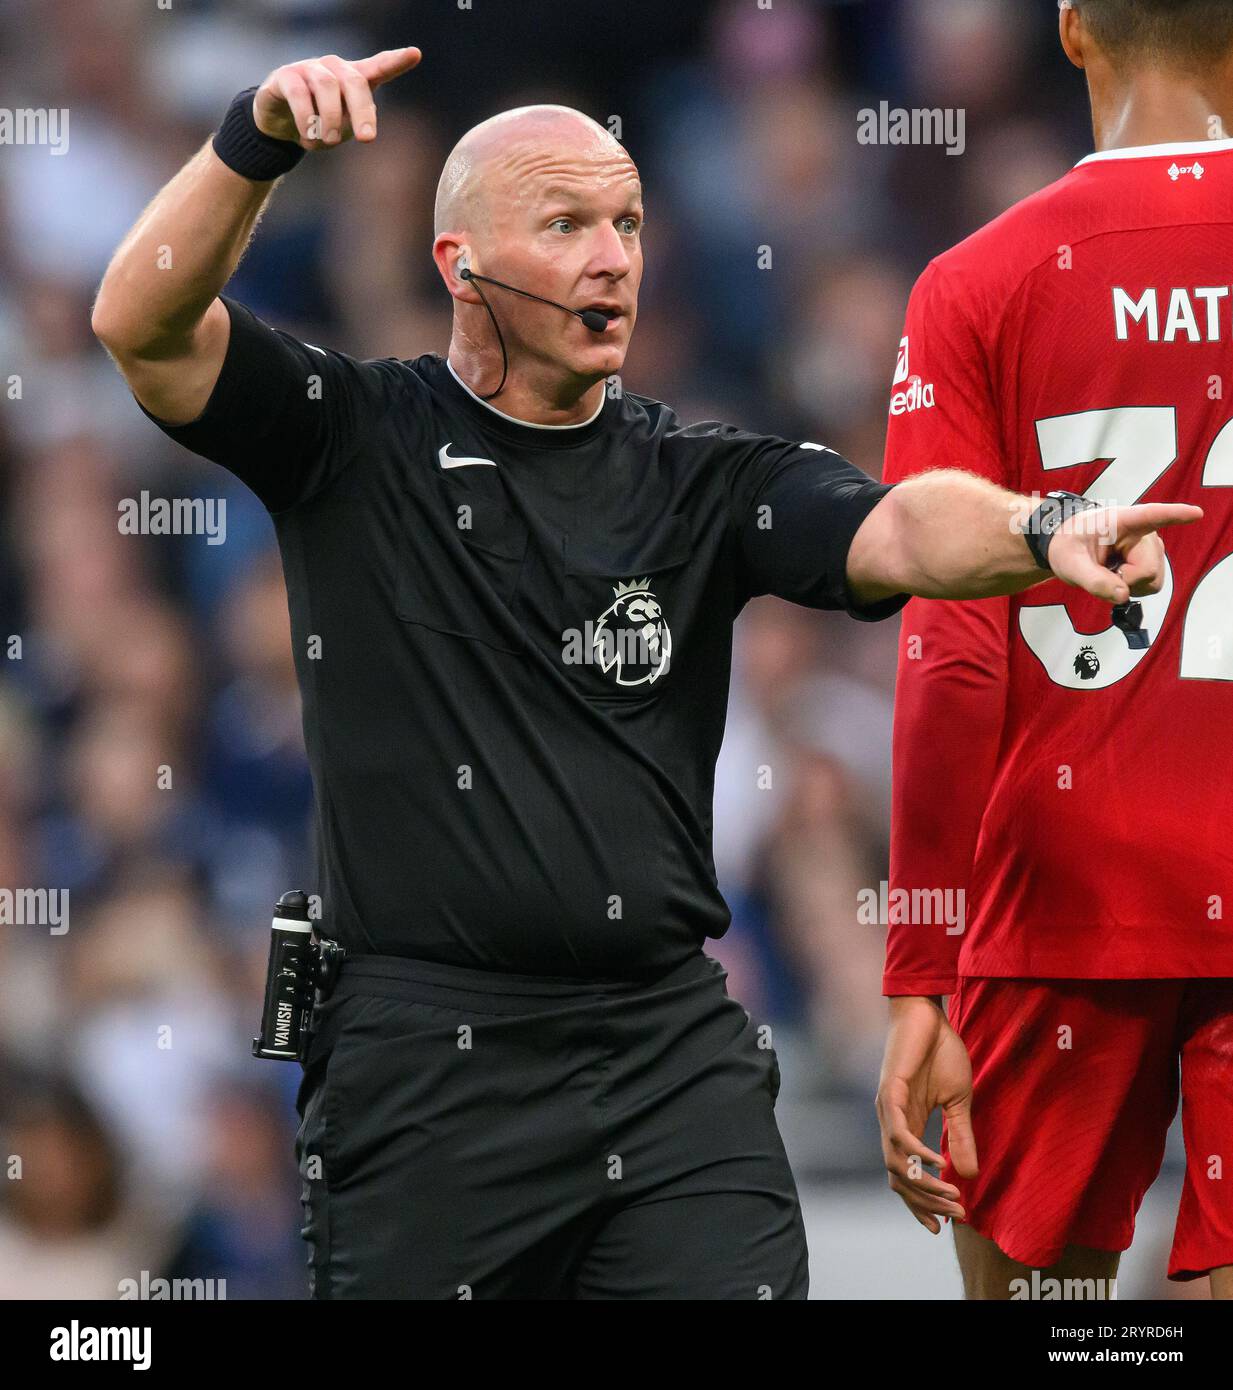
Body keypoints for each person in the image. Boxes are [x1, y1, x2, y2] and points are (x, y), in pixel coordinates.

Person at [92, 44, 1193, 1300]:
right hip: (424, 1070)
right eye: (566, 224)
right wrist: (256, 140)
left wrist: (1040, 530)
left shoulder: (701, 480)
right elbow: (140, 321)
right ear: (461, 266)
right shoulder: (349, 433)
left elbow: (895, 526)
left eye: (627, 221)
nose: (614, 253)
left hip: (667, 1056)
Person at [876, 0, 1233, 1300]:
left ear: (1072, 28)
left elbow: (952, 655)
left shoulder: (976, 282)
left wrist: (919, 961)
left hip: (1062, 891)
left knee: (1051, 1311)